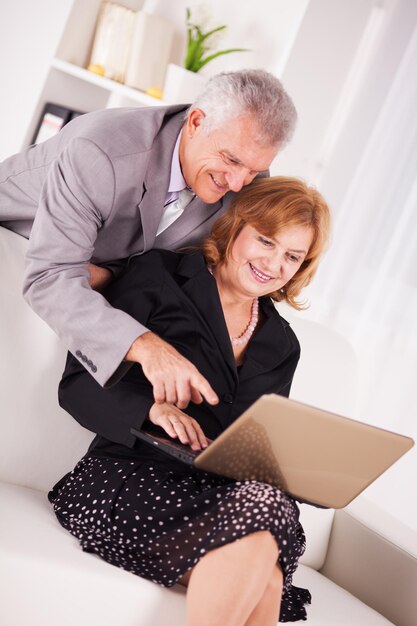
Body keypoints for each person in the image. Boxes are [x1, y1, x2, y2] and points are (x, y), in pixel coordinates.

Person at [49, 176, 331, 625]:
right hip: (128, 476)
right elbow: (77, 386)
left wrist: (299, 467)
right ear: (235, 227)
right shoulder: (159, 277)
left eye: (292, 256)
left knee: (265, 522)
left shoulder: (281, 343)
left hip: (222, 500)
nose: (273, 263)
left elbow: (252, 443)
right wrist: (151, 409)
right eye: (266, 240)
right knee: (266, 560)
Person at [0, 69, 297, 409]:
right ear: (196, 122)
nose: (237, 183)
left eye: (254, 169)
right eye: (231, 160)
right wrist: (145, 346)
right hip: (16, 242)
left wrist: (112, 276)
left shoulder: (247, 181)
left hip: (97, 271)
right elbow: (49, 277)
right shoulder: (102, 152)